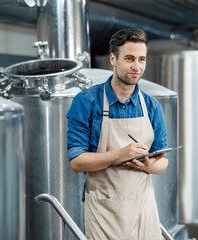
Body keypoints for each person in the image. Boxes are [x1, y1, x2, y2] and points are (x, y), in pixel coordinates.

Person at [66, 28, 168, 240]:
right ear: (113, 58)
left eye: (142, 59)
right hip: (105, 211)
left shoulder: (152, 106)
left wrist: (150, 165)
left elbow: (162, 161)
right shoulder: (87, 102)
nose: (136, 67)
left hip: (144, 209)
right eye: (129, 59)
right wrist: (120, 154)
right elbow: (77, 162)